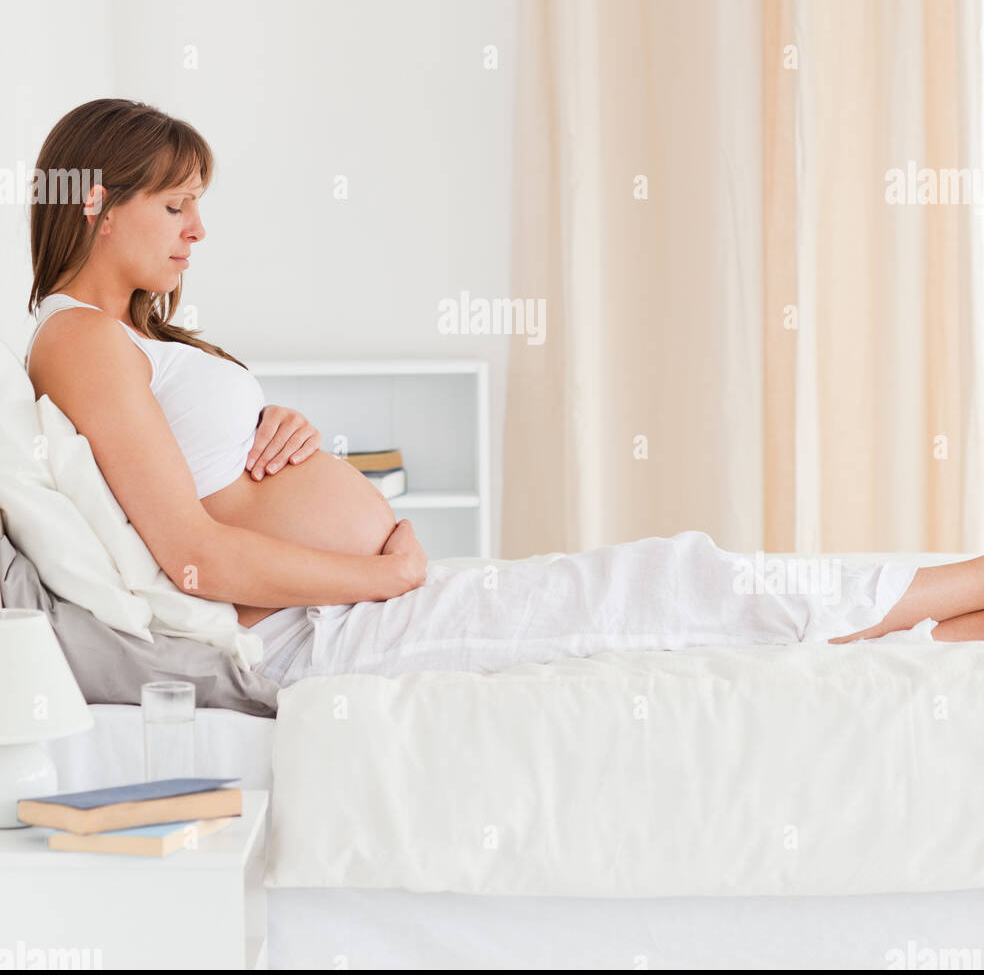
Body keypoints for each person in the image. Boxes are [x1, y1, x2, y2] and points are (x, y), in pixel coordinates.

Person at [23, 99, 984, 688]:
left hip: (358, 604)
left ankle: (944, 628)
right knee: (666, 586)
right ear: (96, 204)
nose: (197, 232)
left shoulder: (128, 339)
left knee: (663, 588)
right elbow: (193, 559)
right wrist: (387, 573)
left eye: (200, 206)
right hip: (322, 634)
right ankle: (965, 587)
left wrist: (279, 424)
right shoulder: (77, 338)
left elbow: (201, 475)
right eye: (176, 205)